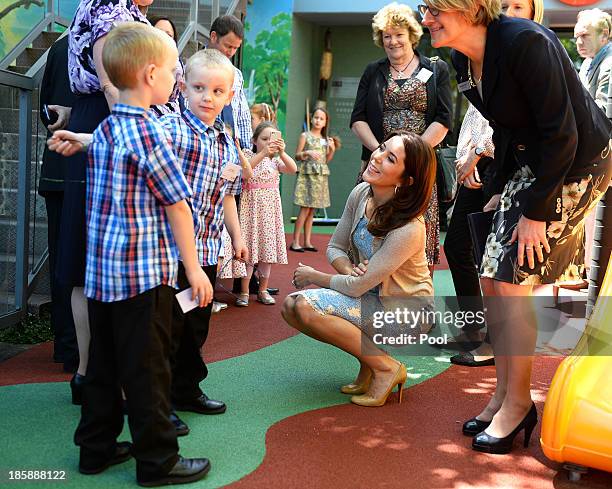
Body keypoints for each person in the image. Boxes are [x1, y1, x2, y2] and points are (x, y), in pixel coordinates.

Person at [421, 0, 612, 454]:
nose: (425, 18)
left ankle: (519, 404)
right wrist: (501, 188)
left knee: (510, 282)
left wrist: (535, 212)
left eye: (432, 9)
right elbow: (505, 128)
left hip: (580, 163)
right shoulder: (462, 58)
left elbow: (562, 133)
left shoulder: (526, 42)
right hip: (533, 163)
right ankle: (504, 396)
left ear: (467, 9)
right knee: (491, 277)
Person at [48, 22, 213, 485]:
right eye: (173, 70)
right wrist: (195, 268)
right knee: (148, 371)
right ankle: (158, 461)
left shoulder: (107, 129)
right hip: (143, 280)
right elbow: (178, 205)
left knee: (101, 366)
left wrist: (74, 140)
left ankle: (95, 449)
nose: (177, 78)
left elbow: (101, 151)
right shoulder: (150, 135)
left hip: (102, 278)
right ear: (150, 74)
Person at [282, 131, 436, 407]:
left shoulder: (409, 228)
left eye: (390, 158)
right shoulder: (361, 192)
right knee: (290, 309)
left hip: (404, 314)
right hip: (368, 296)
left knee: (304, 305)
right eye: (381, 148)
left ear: (406, 180)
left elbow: (357, 286)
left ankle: (386, 368)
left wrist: (315, 277)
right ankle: (369, 365)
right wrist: (349, 269)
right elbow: (335, 248)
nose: (376, 158)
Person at [60, 0, 152, 406]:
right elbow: (112, 81)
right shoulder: (109, 11)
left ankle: (96, 376)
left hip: (104, 119)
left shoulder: (129, 12)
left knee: (96, 256)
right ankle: (92, 374)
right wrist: (131, 134)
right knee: (91, 257)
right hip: (107, 120)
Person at [444, 0, 544, 367]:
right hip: (476, 167)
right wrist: (461, 158)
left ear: (535, 14)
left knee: (495, 264)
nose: (510, 11)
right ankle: (475, 330)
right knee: (458, 247)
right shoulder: (482, 54)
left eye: (519, 5)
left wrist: (478, 156)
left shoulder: (529, 55)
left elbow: (512, 124)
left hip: (503, 169)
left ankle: (490, 340)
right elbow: (475, 115)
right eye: (504, 5)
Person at [159, 49, 248, 423]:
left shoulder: (227, 142)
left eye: (216, 91)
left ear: (229, 96)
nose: (206, 98)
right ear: (181, 87)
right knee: (169, 327)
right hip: (173, 253)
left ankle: (187, 388)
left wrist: (238, 236)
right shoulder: (170, 130)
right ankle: (158, 402)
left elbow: (227, 194)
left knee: (196, 324)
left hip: (209, 250)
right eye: (198, 88)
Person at [350, 2, 452, 273]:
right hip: (379, 166)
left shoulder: (436, 68)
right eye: (386, 35)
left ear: (411, 35)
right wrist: (380, 153)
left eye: (398, 34)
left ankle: (417, 301)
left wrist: (413, 155)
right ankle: (365, 295)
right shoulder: (374, 71)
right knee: (372, 230)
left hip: (417, 169)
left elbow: (443, 120)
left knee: (416, 235)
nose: (392, 41)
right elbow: (357, 119)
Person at [38, 34, 79, 377]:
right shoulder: (119, 40)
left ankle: (66, 346)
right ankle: (76, 348)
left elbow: (45, 108)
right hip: (85, 171)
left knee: (62, 259)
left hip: (58, 167)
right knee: (79, 264)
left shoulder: (61, 45)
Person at [234, 122, 297, 307]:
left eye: (273, 138)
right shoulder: (248, 155)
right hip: (250, 212)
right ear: (254, 140)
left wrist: (282, 152)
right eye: (264, 139)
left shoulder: (275, 161)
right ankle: (244, 292)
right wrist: (262, 153)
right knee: (248, 252)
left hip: (269, 214)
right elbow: (245, 172)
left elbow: (293, 169)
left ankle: (262, 290)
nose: (269, 142)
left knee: (266, 254)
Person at [290, 107, 336, 252]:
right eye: (316, 117)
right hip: (307, 176)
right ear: (311, 119)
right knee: (304, 208)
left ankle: (307, 241)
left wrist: (332, 149)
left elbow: (326, 160)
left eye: (321, 119)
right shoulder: (305, 135)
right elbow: (297, 155)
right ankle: (295, 241)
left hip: (320, 178)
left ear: (325, 122)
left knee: (312, 210)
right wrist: (306, 152)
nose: (318, 120)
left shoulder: (325, 140)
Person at [208, 15, 252, 150]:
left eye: (235, 48)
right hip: (205, 142)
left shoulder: (236, 75)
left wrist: (246, 149)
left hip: (232, 147)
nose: (231, 52)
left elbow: (241, 113)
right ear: (214, 37)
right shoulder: (195, 67)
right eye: (228, 46)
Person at [575, 9, 612, 111]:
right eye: (577, 37)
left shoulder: (609, 63)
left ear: (604, 35)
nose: (578, 42)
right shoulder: (587, 62)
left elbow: (604, 114)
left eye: (584, 35)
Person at [149, 15, 185, 117]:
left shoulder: (179, 65)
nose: (164, 38)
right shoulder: (139, 62)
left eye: (169, 35)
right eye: (159, 32)